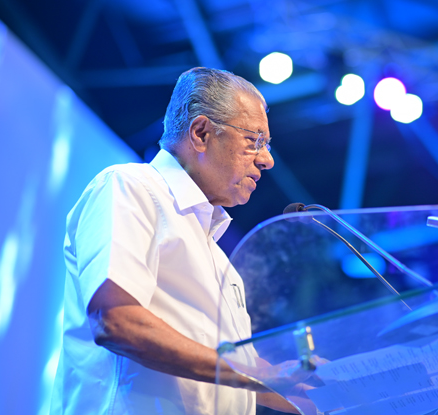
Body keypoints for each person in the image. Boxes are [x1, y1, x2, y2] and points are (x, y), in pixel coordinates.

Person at [50, 67, 303, 414]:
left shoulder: (220, 259)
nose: (267, 160)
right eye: (255, 141)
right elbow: (116, 319)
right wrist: (254, 374)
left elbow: (238, 371)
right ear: (201, 133)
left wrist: (324, 393)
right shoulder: (130, 186)